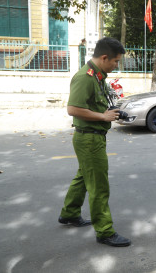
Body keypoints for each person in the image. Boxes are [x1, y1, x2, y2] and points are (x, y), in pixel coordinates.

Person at [58, 37, 131, 247]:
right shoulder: (85, 77)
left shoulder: (98, 76)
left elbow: (97, 105)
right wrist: (102, 117)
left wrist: (114, 113)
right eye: (116, 61)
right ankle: (105, 231)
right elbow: (72, 109)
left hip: (91, 136)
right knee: (99, 186)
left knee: (83, 176)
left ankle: (69, 213)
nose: (116, 65)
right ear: (105, 57)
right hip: (89, 138)